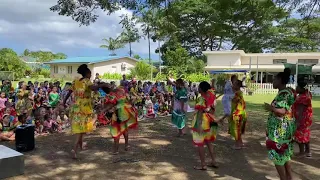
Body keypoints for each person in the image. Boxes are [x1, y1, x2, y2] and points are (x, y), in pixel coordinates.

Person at [63, 64, 107, 159]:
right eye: (90, 74)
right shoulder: (87, 81)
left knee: (81, 128)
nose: (90, 75)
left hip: (76, 107)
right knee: (81, 129)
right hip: (84, 108)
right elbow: (93, 88)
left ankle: (81, 145)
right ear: (87, 73)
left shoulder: (75, 81)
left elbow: (69, 92)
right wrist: (101, 85)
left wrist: (64, 101)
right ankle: (74, 149)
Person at [264, 68, 295, 180]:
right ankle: (288, 177)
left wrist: (270, 108)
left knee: (277, 155)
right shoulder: (286, 92)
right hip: (282, 131)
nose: (273, 82)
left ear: (280, 80)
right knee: (284, 155)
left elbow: (282, 111)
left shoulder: (284, 94)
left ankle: (284, 178)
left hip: (279, 133)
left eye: (274, 79)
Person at [191, 81, 219, 170]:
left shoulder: (201, 99)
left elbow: (199, 112)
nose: (198, 88)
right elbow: (213, 92)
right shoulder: (211, 95)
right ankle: (214, 161)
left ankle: (203, 164)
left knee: (200, 144)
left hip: (202, 122)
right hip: (210, 120)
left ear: (201, 89)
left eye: (199, 87)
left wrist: (198, 125)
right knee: (209, 142)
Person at [105, 86, 138, 155]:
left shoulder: (115, 97)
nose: (121, 92)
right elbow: (132, 101)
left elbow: (110, 104)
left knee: (117, 132)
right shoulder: (124, 97)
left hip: (119, 116)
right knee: (124, 131)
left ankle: (117, 149)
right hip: (124, 115)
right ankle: (125, 146)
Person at [293, 80, 313, 158]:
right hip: (307, 119)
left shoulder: (302, 98)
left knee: (300, 135)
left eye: (297, 86)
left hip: (302, 119)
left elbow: (300, 110)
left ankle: (302, 152)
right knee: (305, 134)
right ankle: (307, 151)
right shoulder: (306, 94)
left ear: (301, 89)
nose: (296, 88)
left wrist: (298, 121)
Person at [229, 80, 247, 149]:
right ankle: (240, 143)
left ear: (238, 86)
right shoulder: (238, 93)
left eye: (234, 84)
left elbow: (234, 101)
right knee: (238, 129)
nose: (232, 86)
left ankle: (237, 144)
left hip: (237, 114)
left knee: (235, 129)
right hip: (240, 113)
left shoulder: (237, 94)